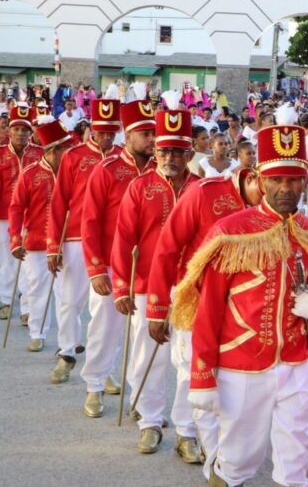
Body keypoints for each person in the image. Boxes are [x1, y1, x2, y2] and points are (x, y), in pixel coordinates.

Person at [172, 124, 308, 487]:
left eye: (294, 180)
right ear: (260, 180)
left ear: (305, 182)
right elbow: (209, 309)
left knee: (295, 457)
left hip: (295, 362)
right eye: (277, 179)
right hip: (241, 364)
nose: (286, 188)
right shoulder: (231, 232)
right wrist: (202, 375)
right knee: (239, 458)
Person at [147, 161, 262, 479]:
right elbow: (168, 248)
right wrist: (157, 309)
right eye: (267, 186)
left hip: (242, 308)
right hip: (195, 298)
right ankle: (189, 435)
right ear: (252, 177)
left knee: (230, 378)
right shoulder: (204, 193)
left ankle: (227, 449)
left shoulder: (273, 208)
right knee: (192, 371)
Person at [111, 109, 198, 455]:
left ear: (189, 153)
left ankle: (186, 430)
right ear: (155, 152)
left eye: (177, 152)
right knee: (149, 353)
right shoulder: (139, 188)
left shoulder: (202, 189)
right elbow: (122, 239)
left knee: (191, 358)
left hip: (192, 287)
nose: (169, 158)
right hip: (146, 284)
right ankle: (149, 422)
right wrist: (121, 285)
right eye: (163, 151)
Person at [79, 98, 156, 419]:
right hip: (111, 265)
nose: (153, 140)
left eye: (154, 133)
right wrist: (96, 269)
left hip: (148, 267)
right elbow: (90, 220)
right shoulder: (107, 170)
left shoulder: (160, 171)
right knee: (105, 327)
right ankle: (94, 384)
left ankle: (140, 396)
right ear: (129, 136)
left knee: (143, 334)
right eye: (146, 134)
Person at [45, 98, 121, 385]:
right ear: (91, 129)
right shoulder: (73, 157)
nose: (105, 138)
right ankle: (66, 353)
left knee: (107, 308)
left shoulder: (123, 158)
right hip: (75, 237)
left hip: (111, 242)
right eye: (101, 132)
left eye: (111, 133)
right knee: (69, 299)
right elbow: (59, 202)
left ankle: (104, 366)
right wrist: (54, 244)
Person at [8, 119, 75, 352]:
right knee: (38, 288)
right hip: (37, 242)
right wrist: (15, 239)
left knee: (68, 294)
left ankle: (70, 340)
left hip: (68, 242)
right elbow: (16, 208)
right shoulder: (30, 174)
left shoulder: (75, 174)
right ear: (54, 150)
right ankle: (37, 332)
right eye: (66, 149)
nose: (70, 153)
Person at [0, 105, 43, 322]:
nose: (20, 134)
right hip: (2, 217)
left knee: (28, 262)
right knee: (6, 261)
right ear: (9, 130)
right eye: (16, 129)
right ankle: (6, 300)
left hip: (30, 217)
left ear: (31, 132)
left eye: (25, 130)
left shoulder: (39, 154)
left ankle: (27, 308)